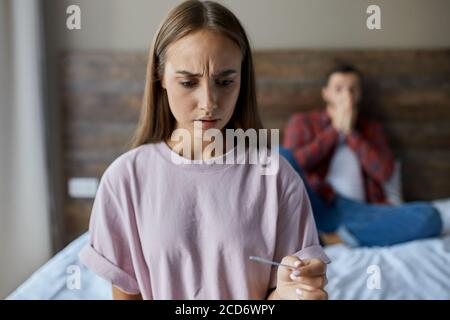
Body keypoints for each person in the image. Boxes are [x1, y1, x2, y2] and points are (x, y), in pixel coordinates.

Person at [79, 0, 330, 300]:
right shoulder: (124, 180)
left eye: (225, 82)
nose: (209, 102)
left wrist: (295, 293)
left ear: (242, 79)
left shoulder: (277, 178)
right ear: (160, 77)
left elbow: (284, 293)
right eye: (188, 82)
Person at [280, 64, 450, 247]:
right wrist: (335, 131)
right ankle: (315, 230)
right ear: (326, 93)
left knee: (430, 217)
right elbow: (293, 166)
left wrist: (351, 133)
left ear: (360, 94)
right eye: (339, 89)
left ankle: (334, 238)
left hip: (361, 213)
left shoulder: (371, 128)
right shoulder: (303, 122)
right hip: (319, 204)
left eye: (352, 89)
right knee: (278, 154)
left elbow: (385, 172)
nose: (347, 95)